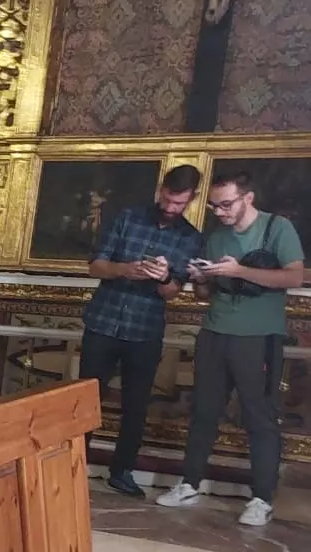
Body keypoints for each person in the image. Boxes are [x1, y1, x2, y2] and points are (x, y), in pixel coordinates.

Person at [158, 170, 306, 526]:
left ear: (247, 198)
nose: (220, 212)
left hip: (258, 337)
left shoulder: (277, 229)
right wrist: (201, 279)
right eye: (214, 207)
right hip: (215, 331)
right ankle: (190, 483)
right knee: (204, 412)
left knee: (259, 416)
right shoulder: (218, 237)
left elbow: (294, 277)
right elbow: (205, 294)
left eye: (226, 205)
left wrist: (240, 271)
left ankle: (261, 499)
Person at [80, 165, 204, 497]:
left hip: (145, 329)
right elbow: (95, 265)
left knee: (136, 405)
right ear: (161, 189)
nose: (171, 208)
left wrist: (163, 277)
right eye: (167, 199)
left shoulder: (191, 238)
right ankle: (73, 464)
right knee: (85, 399)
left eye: (179, 204)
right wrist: (125, 269)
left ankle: (121, 472)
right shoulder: (127, 217)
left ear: (191, 199)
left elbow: (173, 291)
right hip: (103, 322)